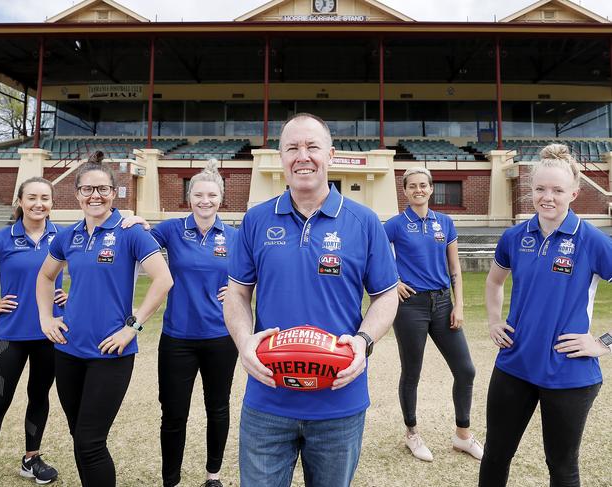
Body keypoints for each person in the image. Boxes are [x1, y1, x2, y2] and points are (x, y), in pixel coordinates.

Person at [223, 113, 400, 487]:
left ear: (330, 154)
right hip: (268, 398)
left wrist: (363, 342)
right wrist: (244, 343)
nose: (303, 156)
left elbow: (386, 295)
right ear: (281, 159)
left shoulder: (365, 221)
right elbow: (237, 293)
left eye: (312, 147)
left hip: (339, 400)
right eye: (292, 148)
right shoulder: (255, 220)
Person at [479, 144, 612, 487]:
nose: (547, 197)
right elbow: (494, 282)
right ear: (531, 191)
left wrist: (603, 342)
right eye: (540, 189)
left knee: (562, 467)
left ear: (574, 193)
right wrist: (495, 321)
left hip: (569, 373)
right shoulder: (514, 237)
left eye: (557, 190)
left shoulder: (593, 241)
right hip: (514, 366)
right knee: (496, 454)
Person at [36, 160, 173, 487]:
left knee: (90, 442)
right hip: (68, 350)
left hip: (111, 353)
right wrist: (45, 317)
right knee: (78, 435)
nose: (94, 195)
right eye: (87, 189)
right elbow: (45, 276)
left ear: (114, 193)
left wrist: (132, 328)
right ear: (77, 194)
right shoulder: (67, 236)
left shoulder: (130, 233)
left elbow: (163, 280)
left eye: (102, 189)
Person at [0, 177, 65, 487]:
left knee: (39, 397)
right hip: (9, 337)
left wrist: (72, 296)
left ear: (52, 202)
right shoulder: (1, 239)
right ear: (20, 202)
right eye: (31, 197)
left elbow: (93, 272)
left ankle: (31, 459)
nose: (38, 203)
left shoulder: (65, 236)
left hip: (50, 334)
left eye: (44, 198)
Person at [383, 167, 482, 462]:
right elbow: (372, 255)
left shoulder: (445, 222)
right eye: (412, 186)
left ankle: (462, 435)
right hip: (410, 306)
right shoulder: (395, 225)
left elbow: (454, 268)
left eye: (423, 185)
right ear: (405, 191)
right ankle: (412, 433)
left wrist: (459, 304)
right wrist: (394, 281)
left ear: (430, 188)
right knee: (412, 372)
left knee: (466, 370)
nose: (418, 190)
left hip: (442, 305)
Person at [150, 160, 238, 487]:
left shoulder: (234, 236)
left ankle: (212, 476)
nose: (205, 200)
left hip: (221, 337)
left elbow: (262, 269)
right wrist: (127, 218)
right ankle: (170, 481)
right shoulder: (172, 229)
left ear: (221, 198)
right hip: (177, 338)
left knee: (218, 409)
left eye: (212, 195)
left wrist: (245, 288)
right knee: (174, 415)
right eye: (199, 194)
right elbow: (137, 238)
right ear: (189, 198)